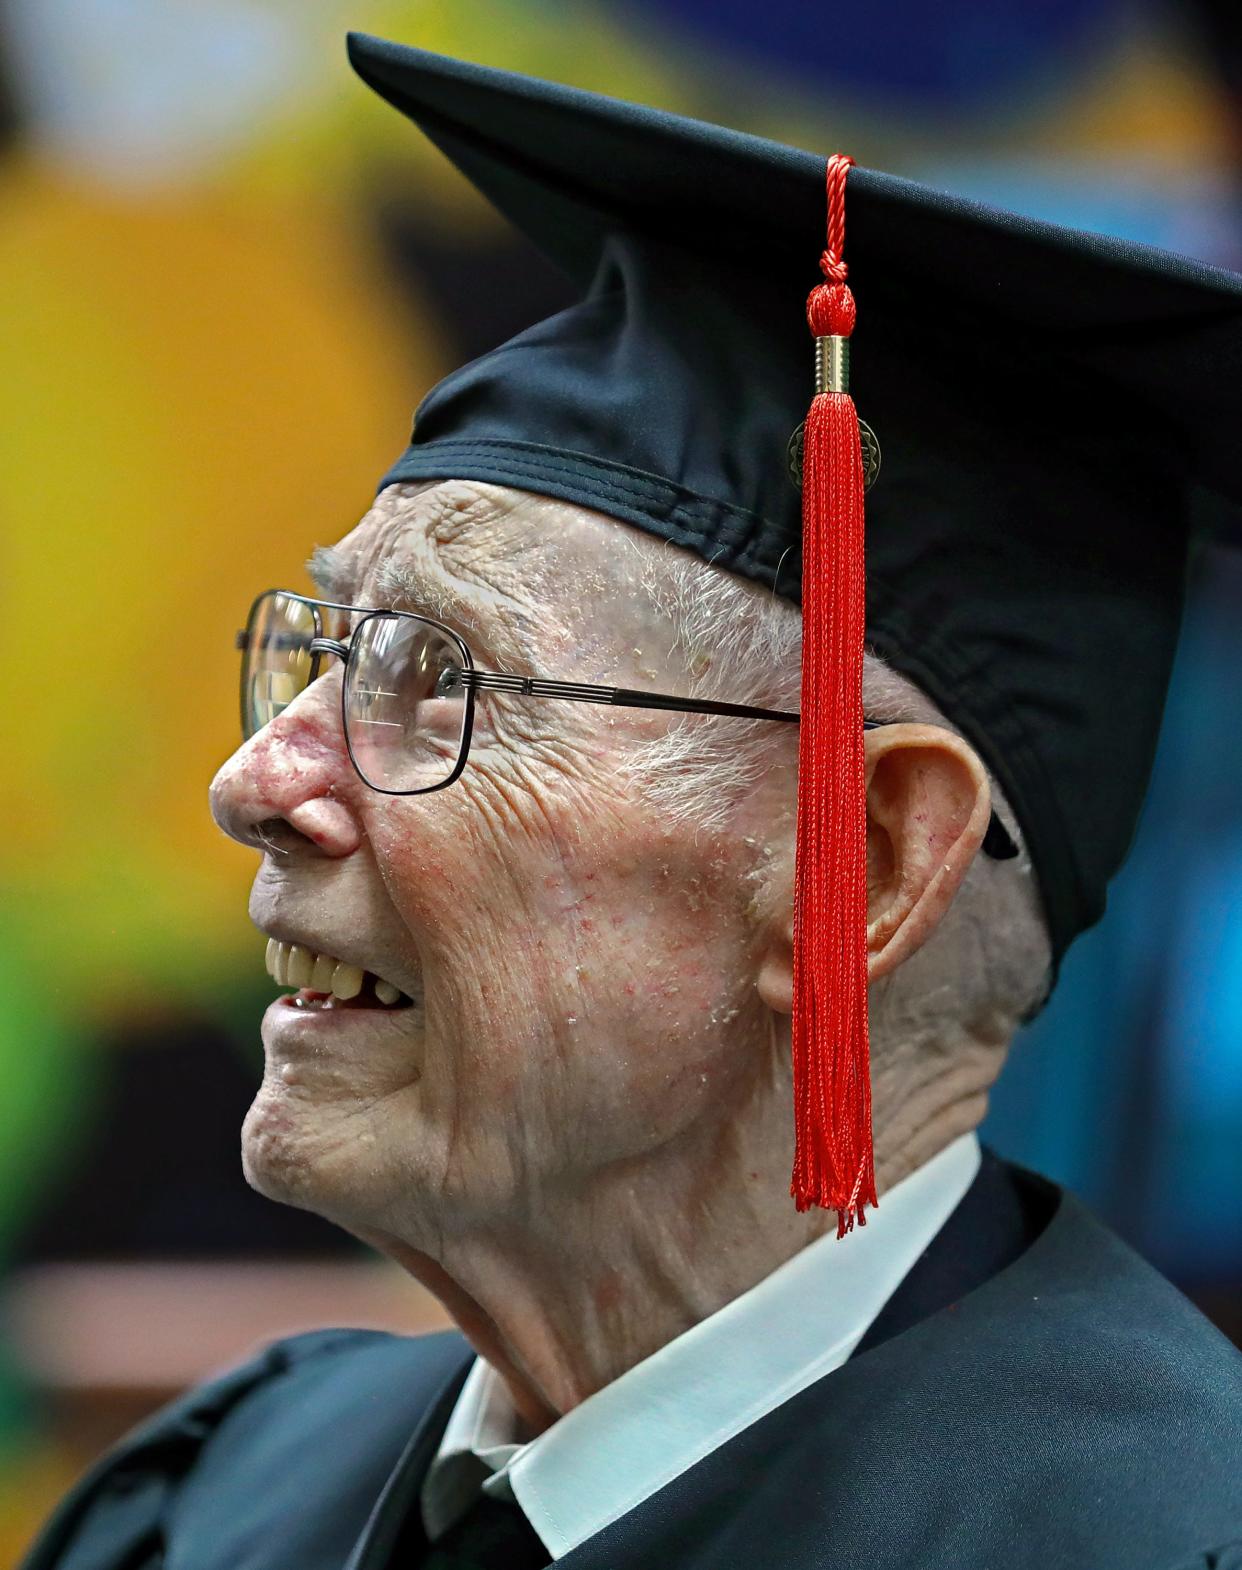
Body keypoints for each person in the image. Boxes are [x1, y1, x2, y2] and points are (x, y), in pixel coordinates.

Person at [22, 30, 1242, 1570]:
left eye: (437, 675)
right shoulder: (218, 1501)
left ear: (863, 864)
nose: (256, 782)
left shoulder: (1146, 1537)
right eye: (323, 649)